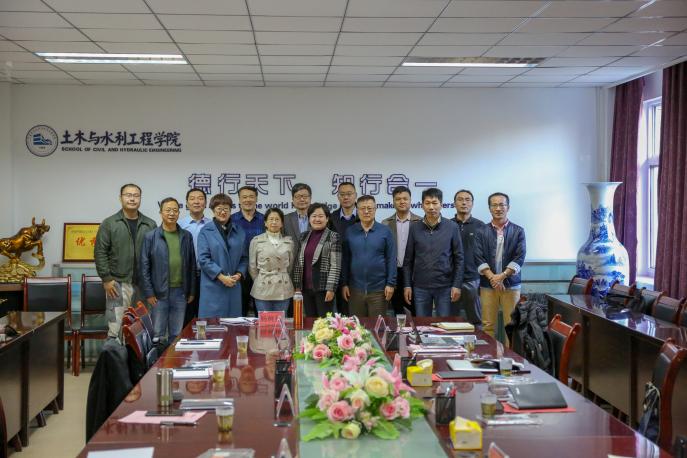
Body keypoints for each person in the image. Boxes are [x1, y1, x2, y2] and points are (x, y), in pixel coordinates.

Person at [95, 183, 156, 339]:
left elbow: (155, 255)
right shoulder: (109, 223)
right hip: (116, 284)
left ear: (140, 198)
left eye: (136, 195)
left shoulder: (150, 224)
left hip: (143, 285)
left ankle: (136, 356)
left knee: (141, 329)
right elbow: (100, 252)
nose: (132, 199)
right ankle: (114, 354)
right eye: (128, 195)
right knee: (115, 328)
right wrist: (106, 279)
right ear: (120, 198)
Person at [140, 197, 197, 344]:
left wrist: (191, 291)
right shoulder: (151, 237)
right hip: (158, 293)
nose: (172, 213)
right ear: (161, 213)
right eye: (168, 210)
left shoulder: (186, 236)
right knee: (157, 333)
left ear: (179, 213)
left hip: (181, 292)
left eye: (175, 210)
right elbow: (144, 266)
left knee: (176, 333)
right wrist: (149, 292)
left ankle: (173, 358)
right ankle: (156, 358)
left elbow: (191, 265)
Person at [403, 188, 464, 317]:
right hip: (420, 287)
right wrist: (407, 285)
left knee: (444, 324)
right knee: (422, 325)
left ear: (441, 204)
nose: (431, 207)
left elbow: (459, 259)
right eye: (427, 203)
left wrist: (457, 285)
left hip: (445, 287)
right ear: (422, 205)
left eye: (435, 203)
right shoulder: (414, 228)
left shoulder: (452, 227)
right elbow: (408, 260)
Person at [475, 192, 526, 341]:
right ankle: (489, 354)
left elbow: (520, 256)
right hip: (487, 284)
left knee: (511, 325)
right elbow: (478, 256)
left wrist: (502, 276)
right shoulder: (481, 231)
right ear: (490, 208)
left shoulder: (518, 231)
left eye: (502, 205)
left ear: (508, 207)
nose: (498, 208)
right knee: (487, 325)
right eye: (494, 205)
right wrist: (493, 278)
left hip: (511, 285)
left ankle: (511, 356)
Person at [342, 195, 396, 317]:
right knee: (357, 326)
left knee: (377, 326)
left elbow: (391, 259)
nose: (366, 211)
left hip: (379, 290)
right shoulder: (350, 231)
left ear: (375, 209)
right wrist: (344, 284)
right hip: (355, 290)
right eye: (362, 208)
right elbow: (345, 260)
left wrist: (390, 284)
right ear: (357, 210)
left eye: (370, 208)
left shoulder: (385, 231)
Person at [197, 193, 248, 318]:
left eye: (226, 209)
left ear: (231, 210)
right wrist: (221, 276)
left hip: (233, 285)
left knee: (233, 325)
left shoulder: (239, 231)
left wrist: (239, 274)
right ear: (213, 210)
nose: (223, 212)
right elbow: (204, 259)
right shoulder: (205, 231)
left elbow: (244, 258)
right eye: (219, 209)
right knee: (212, 325)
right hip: (213, 286)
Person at [293, 203, 341, 317]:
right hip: (305, 288)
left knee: (324, 323)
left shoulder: (333, 236)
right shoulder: (303, 236)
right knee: (310, 321)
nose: (317, 219)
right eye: (314, 216)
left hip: (324, 289)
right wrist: (297, 286)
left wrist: (331, 288)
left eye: (321, 216)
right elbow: (298, 262)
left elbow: (336, 265)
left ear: (327, 218)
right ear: (309, 218)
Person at [382, 186, 421, 315]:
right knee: (398, 312)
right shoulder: (386, 223)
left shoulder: (420, 222)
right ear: (393, 202)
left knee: (417, 311)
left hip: (415, 273)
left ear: (410, 200)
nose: (402, 201)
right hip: (394, 273)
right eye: (398, 199)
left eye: (405, 198)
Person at [248, 208, 296, 312]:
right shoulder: (256, 241)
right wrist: (260, 280)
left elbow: (290, 266)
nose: (274, 222)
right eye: (271, 219)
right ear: (265, 222)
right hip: (263, 286)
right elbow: (252, 267)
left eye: (277, 219)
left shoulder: (289, 242)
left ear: (282, 223)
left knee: (280, 320)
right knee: (264, 321)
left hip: (283, 287)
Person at [452, 189, 485, 328]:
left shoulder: (481, 226)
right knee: (450, 320)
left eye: (467, 200)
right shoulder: (448, 225)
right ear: (454, 203)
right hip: (451, 281)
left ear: (472, 203)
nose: (464, 203)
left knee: (476, 320)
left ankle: (479, 342)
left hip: (473, 280)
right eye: (460, 199)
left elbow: (486, 254)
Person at [232, 186, 265, 317]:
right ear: (239, 200)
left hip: (261, 270)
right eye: (244, 197)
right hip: (239, 270)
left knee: (260, 310)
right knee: (240, 309)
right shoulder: (231, 220)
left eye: (251, 197)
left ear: (256, 199)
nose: (248, 200)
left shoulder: (265, 219)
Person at [179, 187, 210, 326]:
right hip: (186, 277)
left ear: (205, 203)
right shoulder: (179, 225)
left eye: (200, 198)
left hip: (207, 276)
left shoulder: (212, 225)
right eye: (192, 199)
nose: (196, 202)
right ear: (187, 203)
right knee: (186, 316)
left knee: (205, 315)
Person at [328, 182, 358, 315]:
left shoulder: (364, 215)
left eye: (349, 194)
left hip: (360, 273)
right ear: (338, 197)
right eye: (342, 194)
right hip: (339, 274)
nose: (346, 197)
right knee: (343, 314)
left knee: (361, 316)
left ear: (355, 195)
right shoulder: (331, 218)